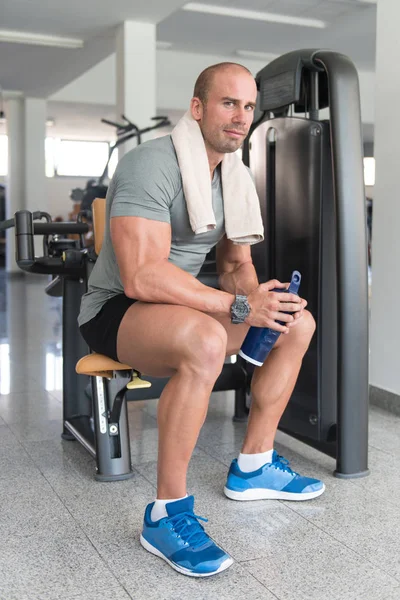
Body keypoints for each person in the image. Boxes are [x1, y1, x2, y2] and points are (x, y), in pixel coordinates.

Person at [78, 62, 324, 578]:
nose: (241, 117)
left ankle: (255, 464)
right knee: (208, 340)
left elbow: (235, 265)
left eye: (249, 107)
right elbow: (142, 277)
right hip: (115, 308)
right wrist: (237, 308)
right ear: (197, 108)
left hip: (180, 306)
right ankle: (166, 513)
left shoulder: (232, 177)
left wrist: (261, 303)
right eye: (228, 103)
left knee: (295, 324)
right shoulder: (153, 164)